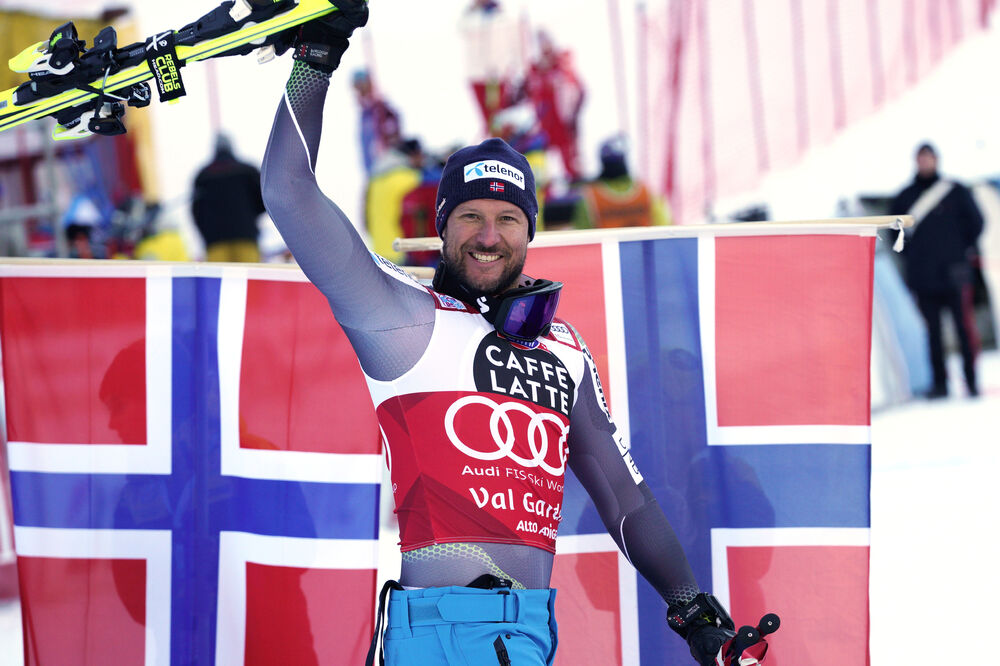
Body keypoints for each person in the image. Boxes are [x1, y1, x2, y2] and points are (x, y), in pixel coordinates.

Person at [261, 4, 769, 665]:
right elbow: (288, 191)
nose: (489, 235)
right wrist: (314, 63)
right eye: (469, 216)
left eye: (508, 217)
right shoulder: (399, 313)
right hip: (439, 636)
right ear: (441, 228)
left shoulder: (562, 348)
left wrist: (692, 606)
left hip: (528, 634)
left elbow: (622, 492)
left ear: (531, 232)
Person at [890, 142, 984, 398]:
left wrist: (959, 250)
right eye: (921, 158)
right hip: (924, 276)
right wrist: (915, 258)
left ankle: (972, 382)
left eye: (929, 158)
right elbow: (895, 235)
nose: (925, 163)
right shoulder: (905, 197)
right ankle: (940, 384)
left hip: (955, 272)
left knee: (964, 329)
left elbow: (977, 222)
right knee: (932, 334)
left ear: (936, 160)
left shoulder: (956, 191)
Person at [191, 134, 265, 263]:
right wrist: (249, 217)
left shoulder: (203, 176)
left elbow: (196, 211)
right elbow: (264, 200)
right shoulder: (247, 171)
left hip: (216, 242)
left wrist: (207, 234)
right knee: (249, 278)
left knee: (219, 281)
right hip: (246, 237)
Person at [574, 135, 671, 229]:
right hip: (644, 245)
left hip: (609, 245)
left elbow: (582, 237)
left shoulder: (589, 198)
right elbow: (665, 227)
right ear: (625, 161)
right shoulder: (647, 193)